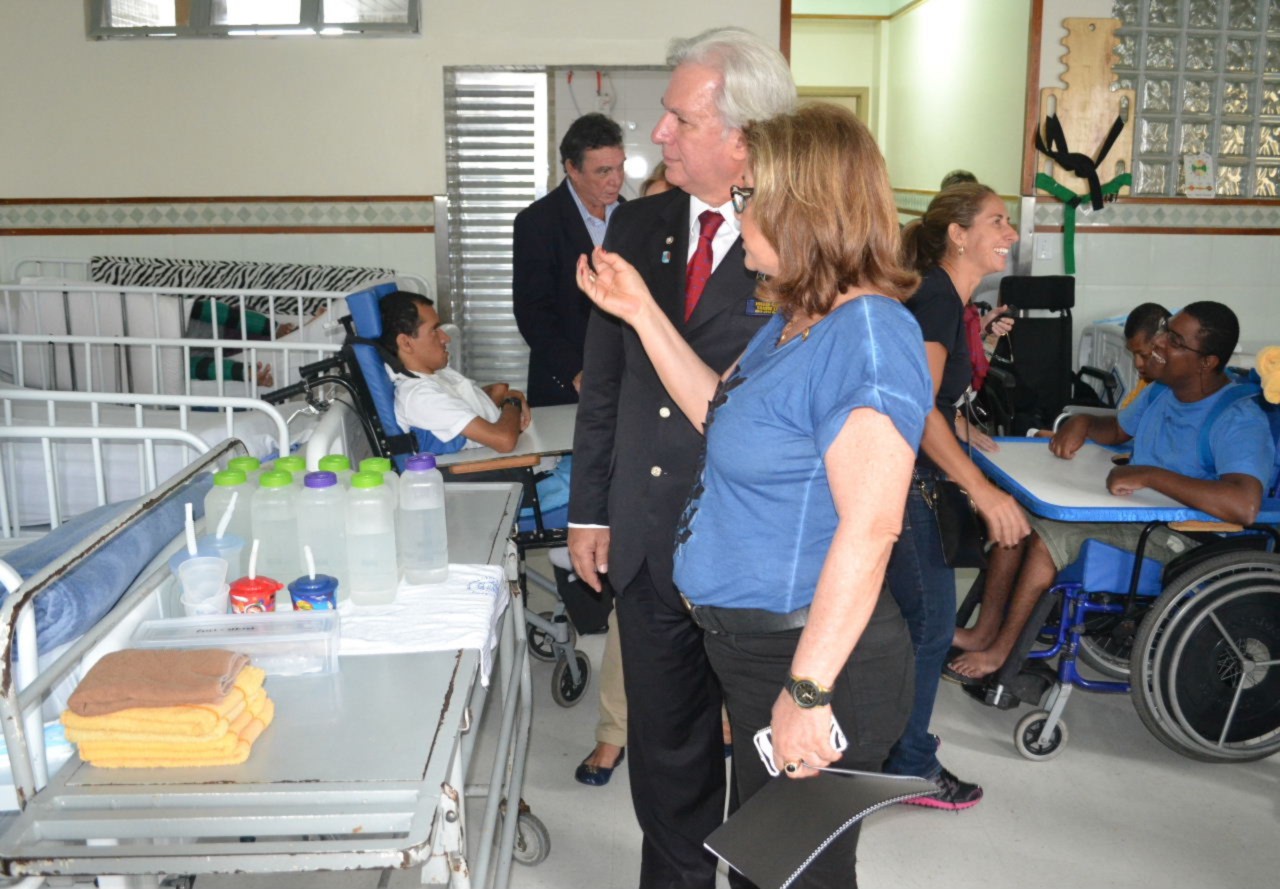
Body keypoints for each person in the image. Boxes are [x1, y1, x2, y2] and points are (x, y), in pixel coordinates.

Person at [577, 101, 931, 889]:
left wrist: (807, 690)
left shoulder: (869, 335)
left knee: (792, 877)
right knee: (758, 866)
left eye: (749, 195)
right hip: (753, 649)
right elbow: (718, 408)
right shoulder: (798, 318)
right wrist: (641, 310)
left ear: (804, 207)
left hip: (813, 659)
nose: (737, 213)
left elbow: (872, 527)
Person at [568, 26, 794, 889]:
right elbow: (607, 380)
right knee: (666, 755)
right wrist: (590, 509)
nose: (656, 134)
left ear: (743, 136)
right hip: (646, 535)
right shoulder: (637, 221)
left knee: (770, 758)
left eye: (679, 119)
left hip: (753, 553)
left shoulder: (800, 240)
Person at [948, 302, 1275, 681]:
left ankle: (1003, 651)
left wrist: (1150, 475)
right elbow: (1119, 430)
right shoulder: (1162, 392)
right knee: (1014, 516)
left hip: (1188, 539)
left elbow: (1244, 504)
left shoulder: (1237, 419)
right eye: (1166, 332)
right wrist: (1082, 422)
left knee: (1045, 539)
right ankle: (985, 630)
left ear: (1207, 362)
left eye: (1175, 341)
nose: (1160, 344)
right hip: (1140, 516)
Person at [881, 183, 1030, 811]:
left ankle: (890, 745)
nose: (1011, 233)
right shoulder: (938, 299)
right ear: (958, 235)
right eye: (997, 221)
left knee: (905, 624)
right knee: (932, 625)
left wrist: (964, 428)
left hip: (903, 477)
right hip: (906, 485)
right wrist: (981, 490)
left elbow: (930, 396)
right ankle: (909, 765)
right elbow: (915, 407)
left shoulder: (942, 296)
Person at [574, 161, 672, 788]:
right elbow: (603, 390)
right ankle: (614, 732)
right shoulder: (625, 274)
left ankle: (719, 720)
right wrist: (592, 509)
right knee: (628, 616)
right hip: (637, 469)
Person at [513, 113, 626, 408]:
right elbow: (532, 313)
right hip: (566, 382)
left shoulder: (632, 216)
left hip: (626, 378)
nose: (616, 180)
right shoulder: (537, 222)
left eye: (620, 167)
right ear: (573, 169)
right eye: (603, 171)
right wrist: (575, 371)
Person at [379, 290, 530, 453]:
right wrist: (512, 400)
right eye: (434, 330)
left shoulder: (435, 374)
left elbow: (462, 407)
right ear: (406, 343)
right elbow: (504, 441)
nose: (446, 338)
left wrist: (495, 393)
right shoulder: (421, 396)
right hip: (489, 464)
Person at [1119, 302, 1171, 409]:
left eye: (1144, 355)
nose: (1137, 363)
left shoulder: (1178, 391)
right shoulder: (1146, 381)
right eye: (1133, 354)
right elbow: (1124, 413)